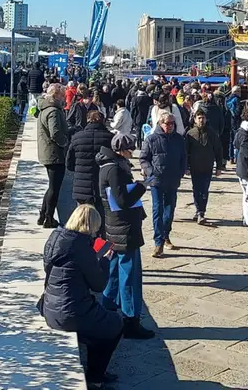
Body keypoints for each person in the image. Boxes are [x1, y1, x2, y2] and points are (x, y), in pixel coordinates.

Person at [39, 204, 125, 390]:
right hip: (71, 312)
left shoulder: (55, 237)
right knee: (115, 325)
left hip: (50, 305)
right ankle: (95, 377)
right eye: (95, 229)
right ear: (91, 226)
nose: (95, 234)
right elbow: (98, 285)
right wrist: (103, 260)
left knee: (98, 324)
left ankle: (95, 372)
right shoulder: (83, 249)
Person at [98, 133, 155, 340]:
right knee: (129, 274)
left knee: (114, 271)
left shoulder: (106, 166)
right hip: (123, 228)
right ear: (121, 151)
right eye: (130, 150)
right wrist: (142, 186)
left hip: (113, 227)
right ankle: (131, 321)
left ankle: (107, 312)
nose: (131, 154)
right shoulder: (114, 169)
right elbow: (122, 200)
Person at [137, 110, 186, 258]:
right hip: (156, 180)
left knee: (169, 209)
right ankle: (158, 241)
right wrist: (151, 172)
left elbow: (184, 157)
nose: (170, 126)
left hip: (173, 179)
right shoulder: (151, 139)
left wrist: (181, 172)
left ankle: (166, 235)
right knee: (157, 210)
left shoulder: (179, 139)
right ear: (160, 123)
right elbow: (143, 158)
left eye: (172, 123)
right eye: (167, 123)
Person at [36, 83, 70, 229]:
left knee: (52, 186)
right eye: (62, 95)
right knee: (55, 188)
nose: (64, 99)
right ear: (56, 95)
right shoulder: (53, 111)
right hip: (54, 153)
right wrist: (65, 142)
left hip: (49, 152)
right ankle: (49, 218)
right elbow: (55, 132)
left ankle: (43, 214)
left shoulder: (46, 108)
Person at [68, 110, 113, 211]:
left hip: (81, 184)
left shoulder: (77, 138)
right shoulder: (110, 138)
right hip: (103, 184)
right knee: (102, 215)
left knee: (82, 218)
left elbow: (69, 164)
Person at [184, 108, 221, 225]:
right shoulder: (190, 134)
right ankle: (198, 210)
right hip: (195, 166)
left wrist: (219, 166)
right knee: (196, 189)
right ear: (195, 119)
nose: (201, 120)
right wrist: (186, 166)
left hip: (207, 166)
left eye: (203, 118)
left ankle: (201, 212)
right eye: (199, 118)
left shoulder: (211, 133)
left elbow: (218, 150)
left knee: (204, 189)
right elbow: (186, 152)